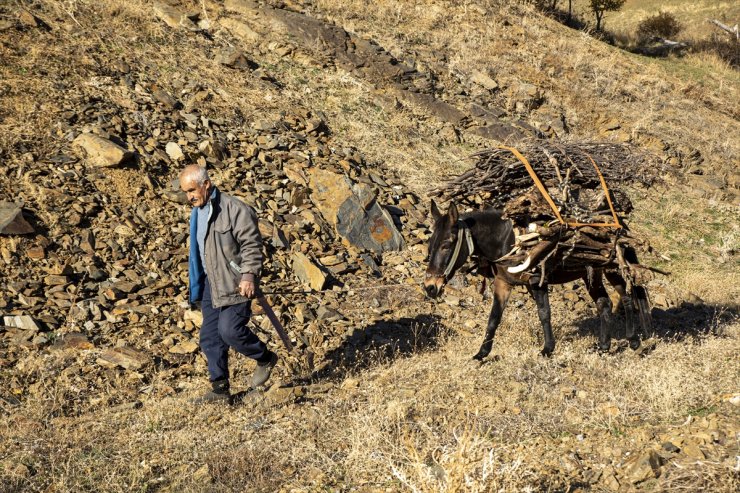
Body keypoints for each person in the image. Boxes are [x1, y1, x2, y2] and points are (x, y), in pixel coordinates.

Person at [179, 164, 278, 403]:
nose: (189, 196)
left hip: (234, 282)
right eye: (185, 192)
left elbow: (252, 246)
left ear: (206, 185)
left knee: (230, 330)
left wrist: (248, 276)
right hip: (209, 284)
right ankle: (220, 389)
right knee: (210, 337)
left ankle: (264, 358)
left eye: (192, 190)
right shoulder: (197, 212)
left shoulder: (235, 210)